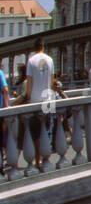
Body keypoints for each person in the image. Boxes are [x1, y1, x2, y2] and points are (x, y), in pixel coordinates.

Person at [22, 37, 56, 165]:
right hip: (47, 99)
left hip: (35, 101)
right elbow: (52, 82)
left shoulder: (31, 61)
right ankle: (46, 157)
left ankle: (38, 158)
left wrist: (29, 99)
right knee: (47, 129)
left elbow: (29, 82)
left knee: (35, 132)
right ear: (43, 47)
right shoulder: (50, 60)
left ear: (34, 48)